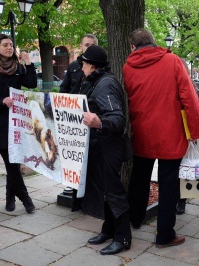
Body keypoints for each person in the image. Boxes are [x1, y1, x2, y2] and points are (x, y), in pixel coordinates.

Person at [123, 28, 199, 248]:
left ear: (133, 46)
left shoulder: (128, 67)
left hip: (142, 133)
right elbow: (189, 98)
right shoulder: (173, 61)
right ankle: (164, 234)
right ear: (153, 42)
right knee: (169, 186)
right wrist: (196, 131)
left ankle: (134, 219)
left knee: (139, 179)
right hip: (171, 134)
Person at [77, 45, 131, 255]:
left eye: (83, 64)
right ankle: (108, 229)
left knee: (114, 192)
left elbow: (117, 119)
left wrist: (99, 122)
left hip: (109, 147)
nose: (82, 68)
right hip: (100, 146)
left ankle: (123, 237)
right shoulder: (97, 82)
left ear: (91, 65)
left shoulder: (105, 85)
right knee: (105, 191)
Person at [0, 34, 37, 214]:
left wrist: (29, 63)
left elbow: (31, 84)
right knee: (10, 159)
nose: (9, 47)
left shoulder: (18, 68)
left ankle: (9, 196)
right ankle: (25, 198)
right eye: (5, 45)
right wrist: (1, 101)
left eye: (11, 45)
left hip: (17, 121)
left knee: (13, 161)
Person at [59, 34, 98, 196]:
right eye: (86, 44)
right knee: (71, 151)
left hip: (89, 115)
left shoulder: (98, 67)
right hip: (72, 117)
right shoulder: (74, 66)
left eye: (92, 45)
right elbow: (64, 88)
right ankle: (70, 182)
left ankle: (86, 183)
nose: (88, 47)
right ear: (81, 46)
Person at [176, 59, 199, 215]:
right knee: (175, 169)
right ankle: (176, 198)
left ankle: (181, 200)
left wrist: (193, 133)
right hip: (174, 132)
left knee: (184, 168)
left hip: (185, 133)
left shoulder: (193, 88)